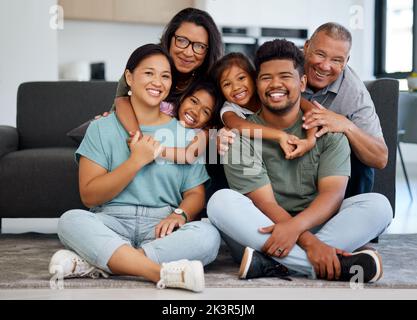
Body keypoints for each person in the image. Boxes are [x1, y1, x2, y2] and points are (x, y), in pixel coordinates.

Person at [207, 39, 392, 283]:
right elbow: (264, 204)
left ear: (302, 82)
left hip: (319, 227)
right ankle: (330, 264)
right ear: (257, 83)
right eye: (266, 78)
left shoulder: (327, 130)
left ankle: (274, 264)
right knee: (220, 202)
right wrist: (310, 243)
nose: (275, 84)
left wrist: (299, 231)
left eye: (285, 76)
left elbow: (332, 196)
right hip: (261, 231)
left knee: (379, 206)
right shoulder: (239, 137)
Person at [49, 44, 221, 293]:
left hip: (162, 226)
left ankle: (101, 262)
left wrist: (180, 215)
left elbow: (195, 194)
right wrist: (136, 161)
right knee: (70, 221)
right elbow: (89, 195)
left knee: (208, 235)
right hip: (111, 221)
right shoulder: (101, 128)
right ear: (129, 77)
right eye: (148, 73)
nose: (157, 82)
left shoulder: (185, 135)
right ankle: (157, 271)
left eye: (165, 76)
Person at [301, 22, 388, 197]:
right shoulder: (286, 64)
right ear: (306, 47)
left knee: (359, 155)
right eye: (320, 54)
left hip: (328, 166)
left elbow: (380, 158)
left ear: (346, 62)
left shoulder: (354, 92)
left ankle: (349, 215)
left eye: (336, 60)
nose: (325, 66)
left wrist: (347, 125)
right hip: (283, 151)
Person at [112, 7, 223, 136]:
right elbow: (121, 101)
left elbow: (215, 126)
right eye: (181, 40)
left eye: (199, 46)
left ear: (208, 52)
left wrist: (209, 138)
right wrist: (138, 139)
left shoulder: (211, 84)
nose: (188, 52)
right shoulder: (148, 62)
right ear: (170, 38)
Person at [211, 52, 317, 159]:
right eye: (227, 84)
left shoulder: (268, 94)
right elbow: (240, 126)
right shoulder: (229, 108)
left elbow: (311, 110)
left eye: (241, 78)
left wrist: (310, 140)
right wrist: (280, 136)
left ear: (254, 79)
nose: (236, 87)